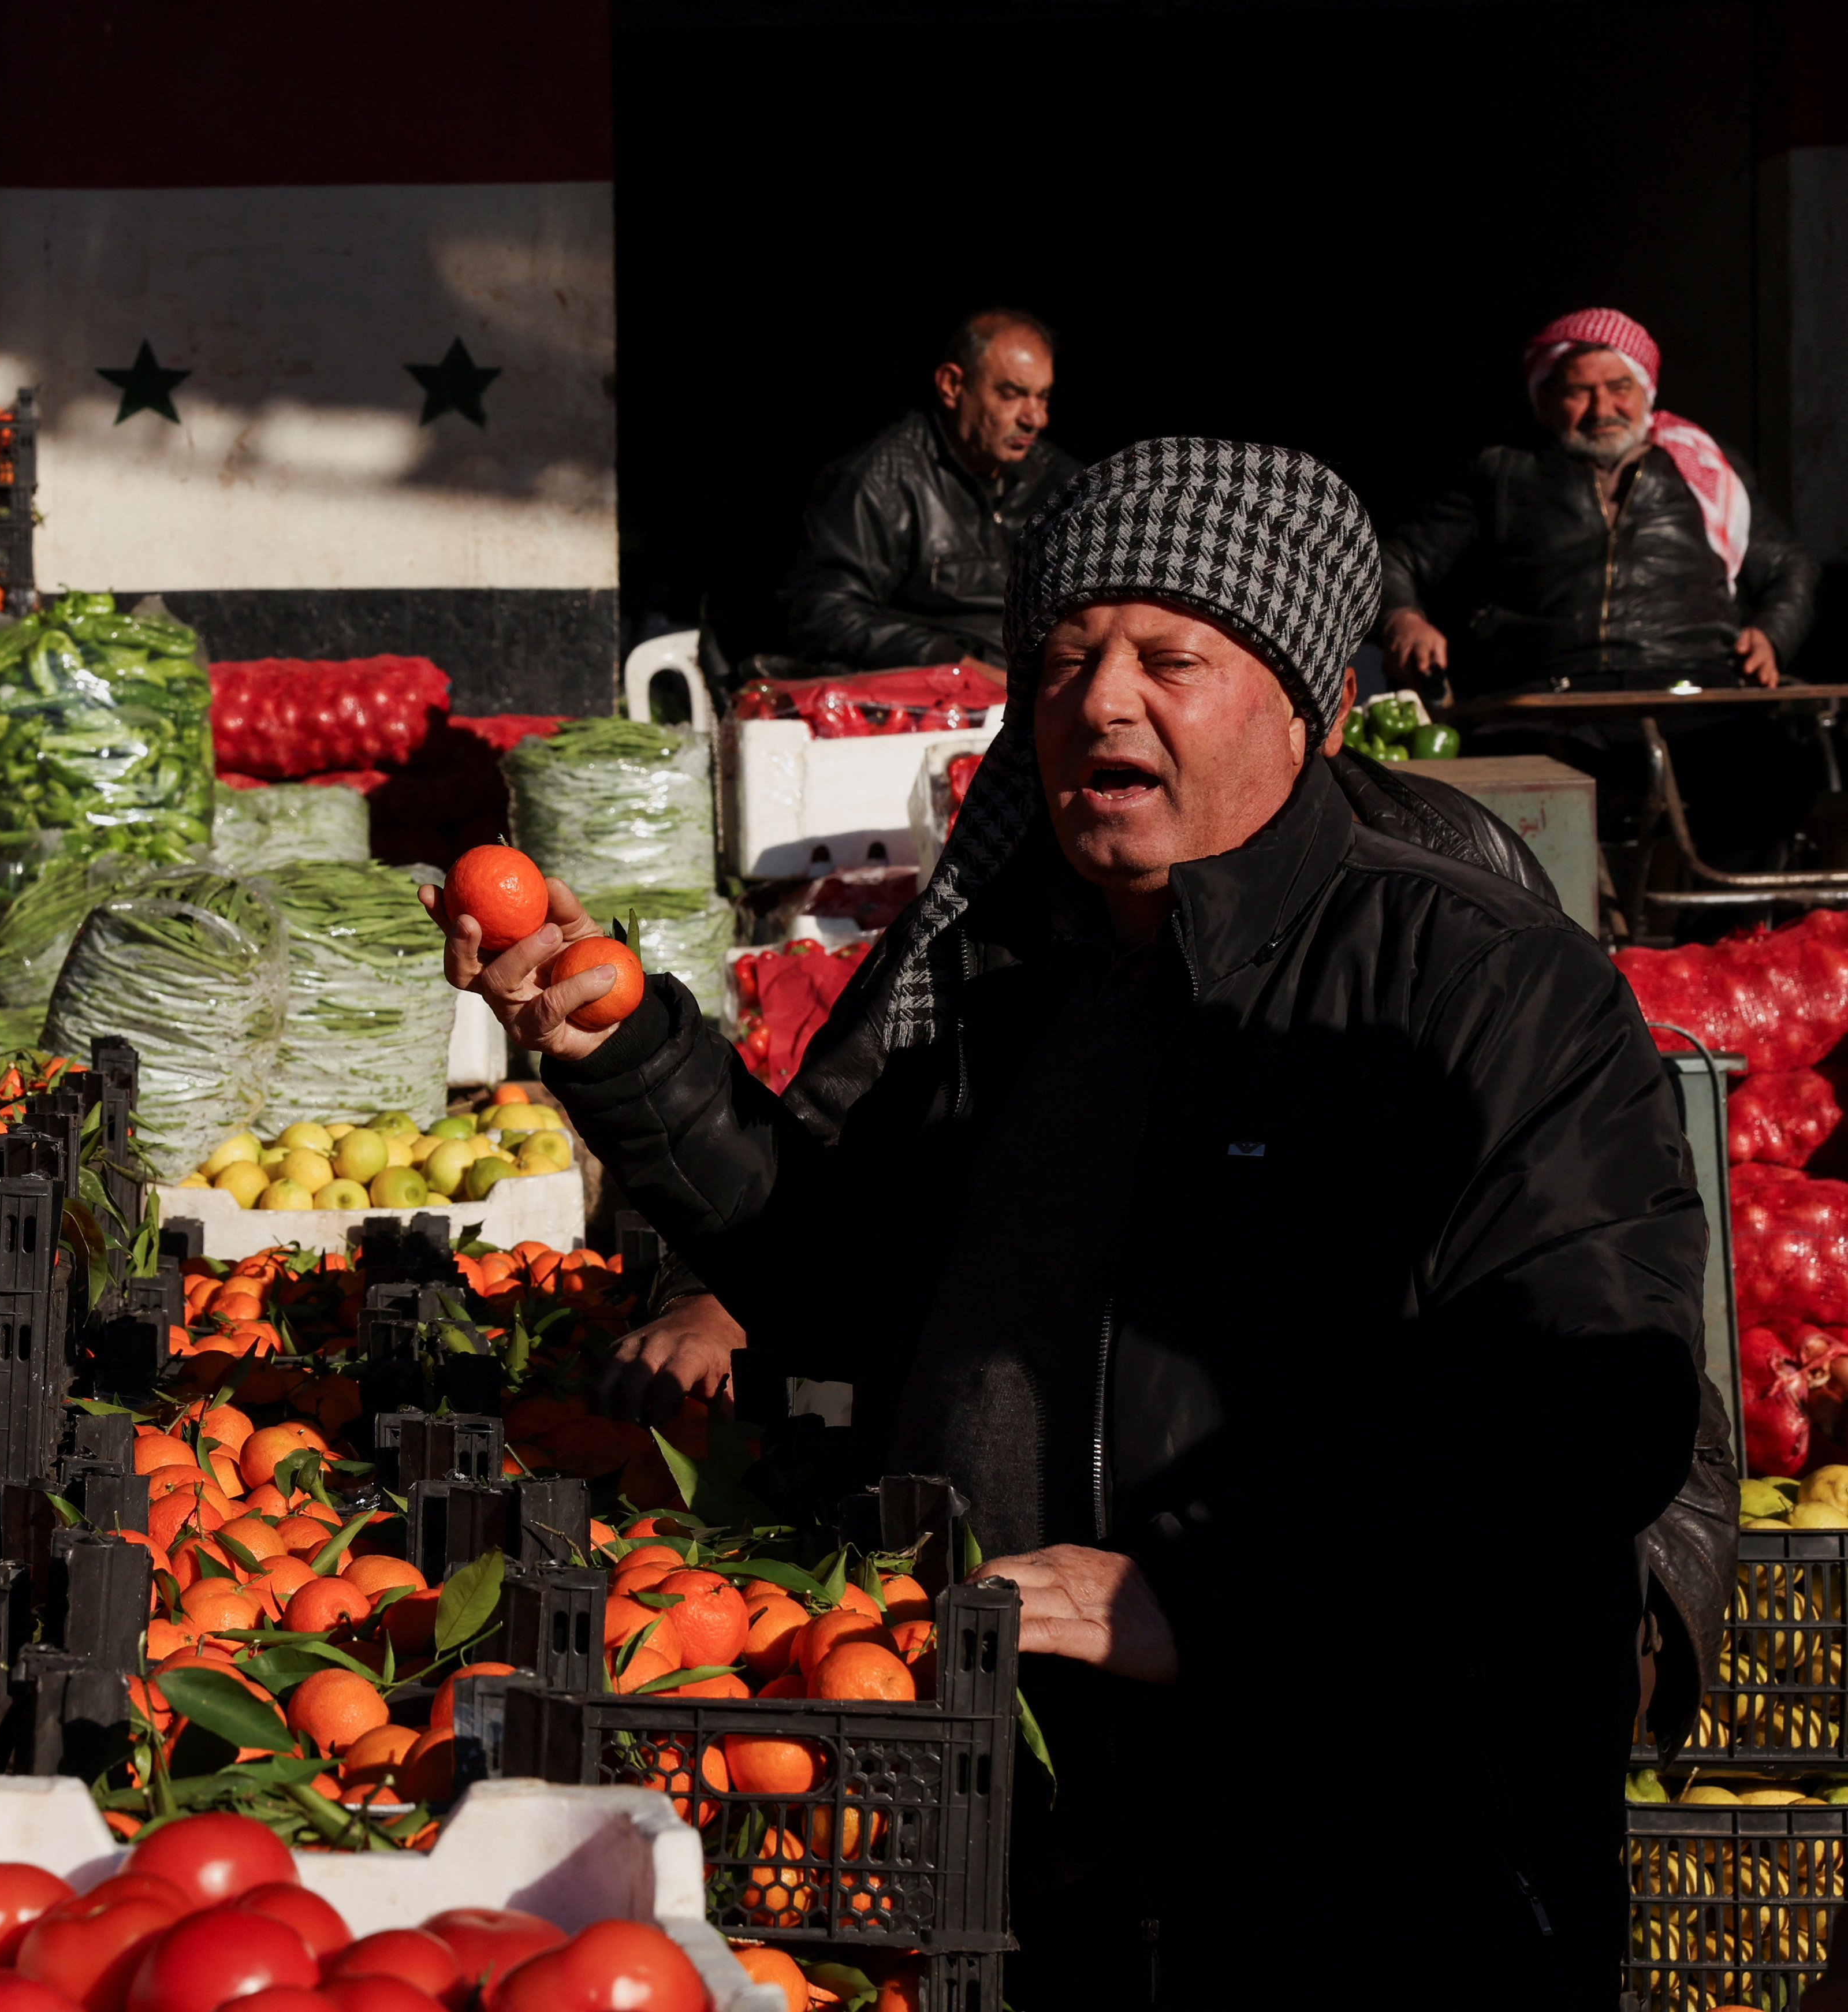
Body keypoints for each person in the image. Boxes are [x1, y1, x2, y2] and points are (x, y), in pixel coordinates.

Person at [437, 439, 1704, 2009]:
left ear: (1299, 699)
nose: (1097, 702)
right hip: (1033, 1844)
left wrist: (1213, 1586)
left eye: (1168, 658)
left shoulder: (1471, 984)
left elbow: (1588, 1400)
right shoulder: (1002, 979)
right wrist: (622, 1056)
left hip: (1369, 1862)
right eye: (1058, 660)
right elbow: (838, 1275)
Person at [1381, 306, 1818, 695]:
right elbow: (1393, 561)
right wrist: (1404, 619)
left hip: (1694, 689)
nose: (1601, 408)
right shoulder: (1504, 473)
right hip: (1545, 698)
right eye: (1578, 392)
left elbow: (1790, 567)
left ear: (1645, 390)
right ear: (1547, 402)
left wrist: (1771, 635)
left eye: (1619, 387)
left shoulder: (1704, 468)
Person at [762, 308, 1081, 671]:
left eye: (1042, 397)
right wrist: (951, 662)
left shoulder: (1061, 482)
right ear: (952, 385)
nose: (1036, 418)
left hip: (1041, 694)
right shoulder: (879, 481)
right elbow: (822, 614)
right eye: (1011, 395)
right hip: (939, 707)